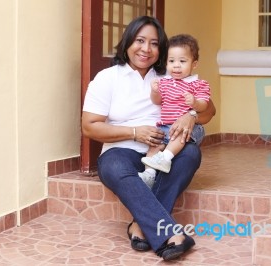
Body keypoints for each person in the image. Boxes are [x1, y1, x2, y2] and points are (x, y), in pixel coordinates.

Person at [82, 16, 216, 261]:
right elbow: (90, 127)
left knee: (190, 154)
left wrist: (192, 115)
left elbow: (209, 112)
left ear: (161, 49)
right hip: (121, 149)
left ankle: (141, 226)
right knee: (113, 166)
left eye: (154, 43)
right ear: (127, 42)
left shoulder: (172, 72)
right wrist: (135, 132)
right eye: (140, 41)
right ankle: (166, 232)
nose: (146, 49)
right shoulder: (107, 78)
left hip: (163, 148)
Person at [139, 34, 210, 188]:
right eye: (171, 61)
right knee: (154, 145)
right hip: (165, 126)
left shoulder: (199, 84)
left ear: (194, 64)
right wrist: (155, 91)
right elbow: (157, 101)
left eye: (182, 61)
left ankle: (166, 157)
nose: (176, 65)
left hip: (190, 128)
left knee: (178, 134)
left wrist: (195, 103)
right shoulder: (165, 82)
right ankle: (149, 175)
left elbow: (205, 105)